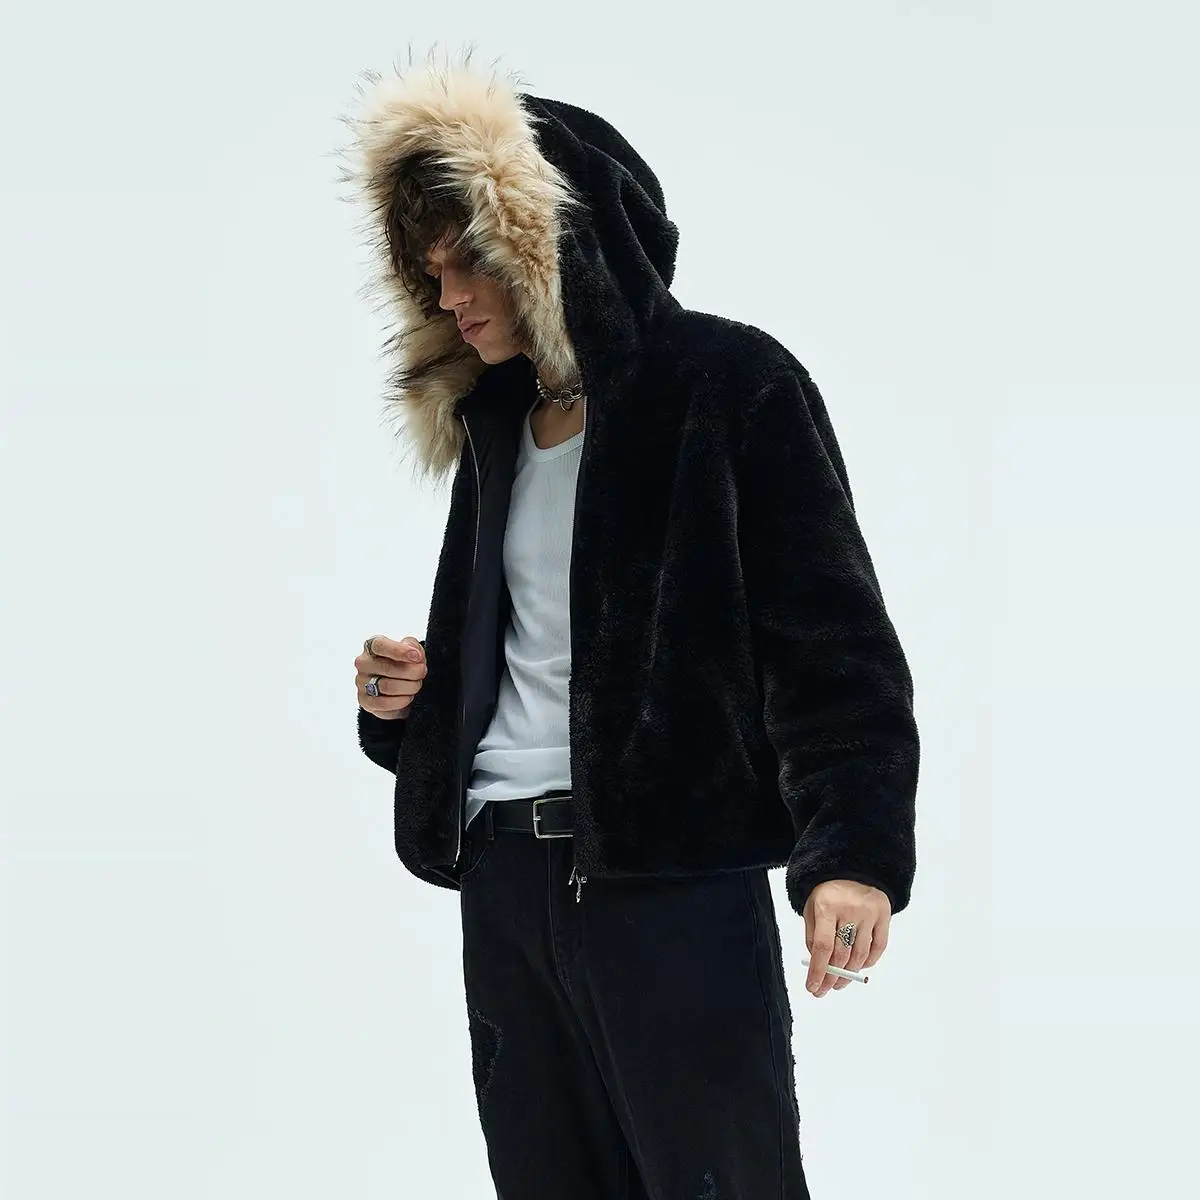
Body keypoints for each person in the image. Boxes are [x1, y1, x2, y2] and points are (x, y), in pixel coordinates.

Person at [340, 49, 919, 1199]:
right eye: (430, 273)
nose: (448, 299)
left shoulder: (730, 383)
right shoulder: (499, 426)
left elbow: (833, 643)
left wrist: (851, 854)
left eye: (469, 263)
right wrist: (406, 704)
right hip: (505, 876)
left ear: (552, 243)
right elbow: (529, 657)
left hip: (671, 882)